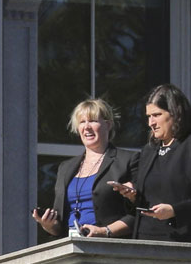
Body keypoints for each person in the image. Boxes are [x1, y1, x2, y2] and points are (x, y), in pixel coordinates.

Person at [110, 83, 191, 245]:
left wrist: (174, 211)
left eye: (156, 115)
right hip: (146, 241)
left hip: (188, 241)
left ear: (175, 113)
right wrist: (133, 195)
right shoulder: (149, 151)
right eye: (148, 116)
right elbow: (143, 202)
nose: (151, 122)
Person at [31, 98, 138, 239]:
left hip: (109, 247)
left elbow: (140, 213)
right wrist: (48, 225)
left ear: (108, 125)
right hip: (70, 247)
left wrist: (105, 231)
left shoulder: (128, 160)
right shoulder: (65, 168)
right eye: (82, 122)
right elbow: (59, 227)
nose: (86, 127)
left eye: (93, 120)